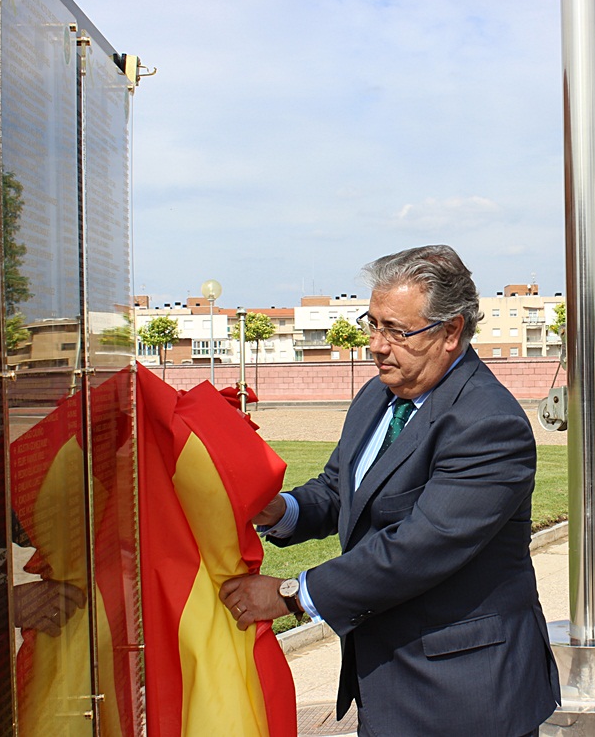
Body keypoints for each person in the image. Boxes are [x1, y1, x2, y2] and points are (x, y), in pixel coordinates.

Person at [220, 245, 560, 736]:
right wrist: (278, 510)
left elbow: (418, 547)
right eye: (373, 323)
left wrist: (292, 595)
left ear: (450, 332)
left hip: (465, 694)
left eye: (397, 331)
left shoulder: (488, 423)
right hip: (387, 682)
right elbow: (340, 489)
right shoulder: (380, 393)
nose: (377, 345)